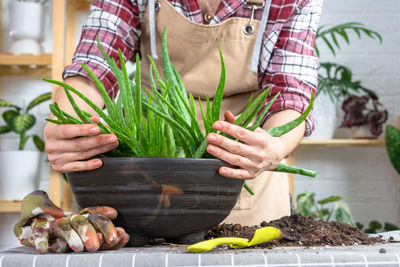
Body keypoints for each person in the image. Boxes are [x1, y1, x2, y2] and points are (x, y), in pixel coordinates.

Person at [45, 0, 321, 226]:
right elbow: (94, 65)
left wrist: (274, 145)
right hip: (148, 172)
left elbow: (291, 96)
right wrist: (68, 123)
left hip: (243, 168)